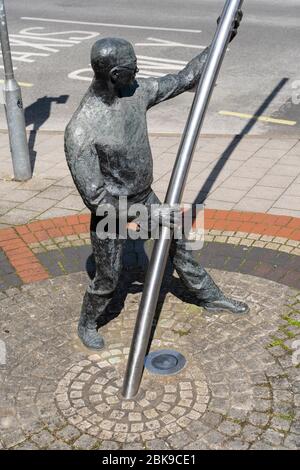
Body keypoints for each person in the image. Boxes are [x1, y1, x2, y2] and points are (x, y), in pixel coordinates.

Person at [65, 11, 249, 350]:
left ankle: (210, 297)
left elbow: (185, 78)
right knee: (108, 277)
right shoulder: (81, 129)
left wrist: (223, 36)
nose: (139, 73)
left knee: (179, 246)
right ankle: (87, 322)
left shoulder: (135, 92)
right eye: (133, 68)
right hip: (113, 211)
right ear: (116, 74)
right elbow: (97, 201)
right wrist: (147, 218)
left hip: (144, 195)